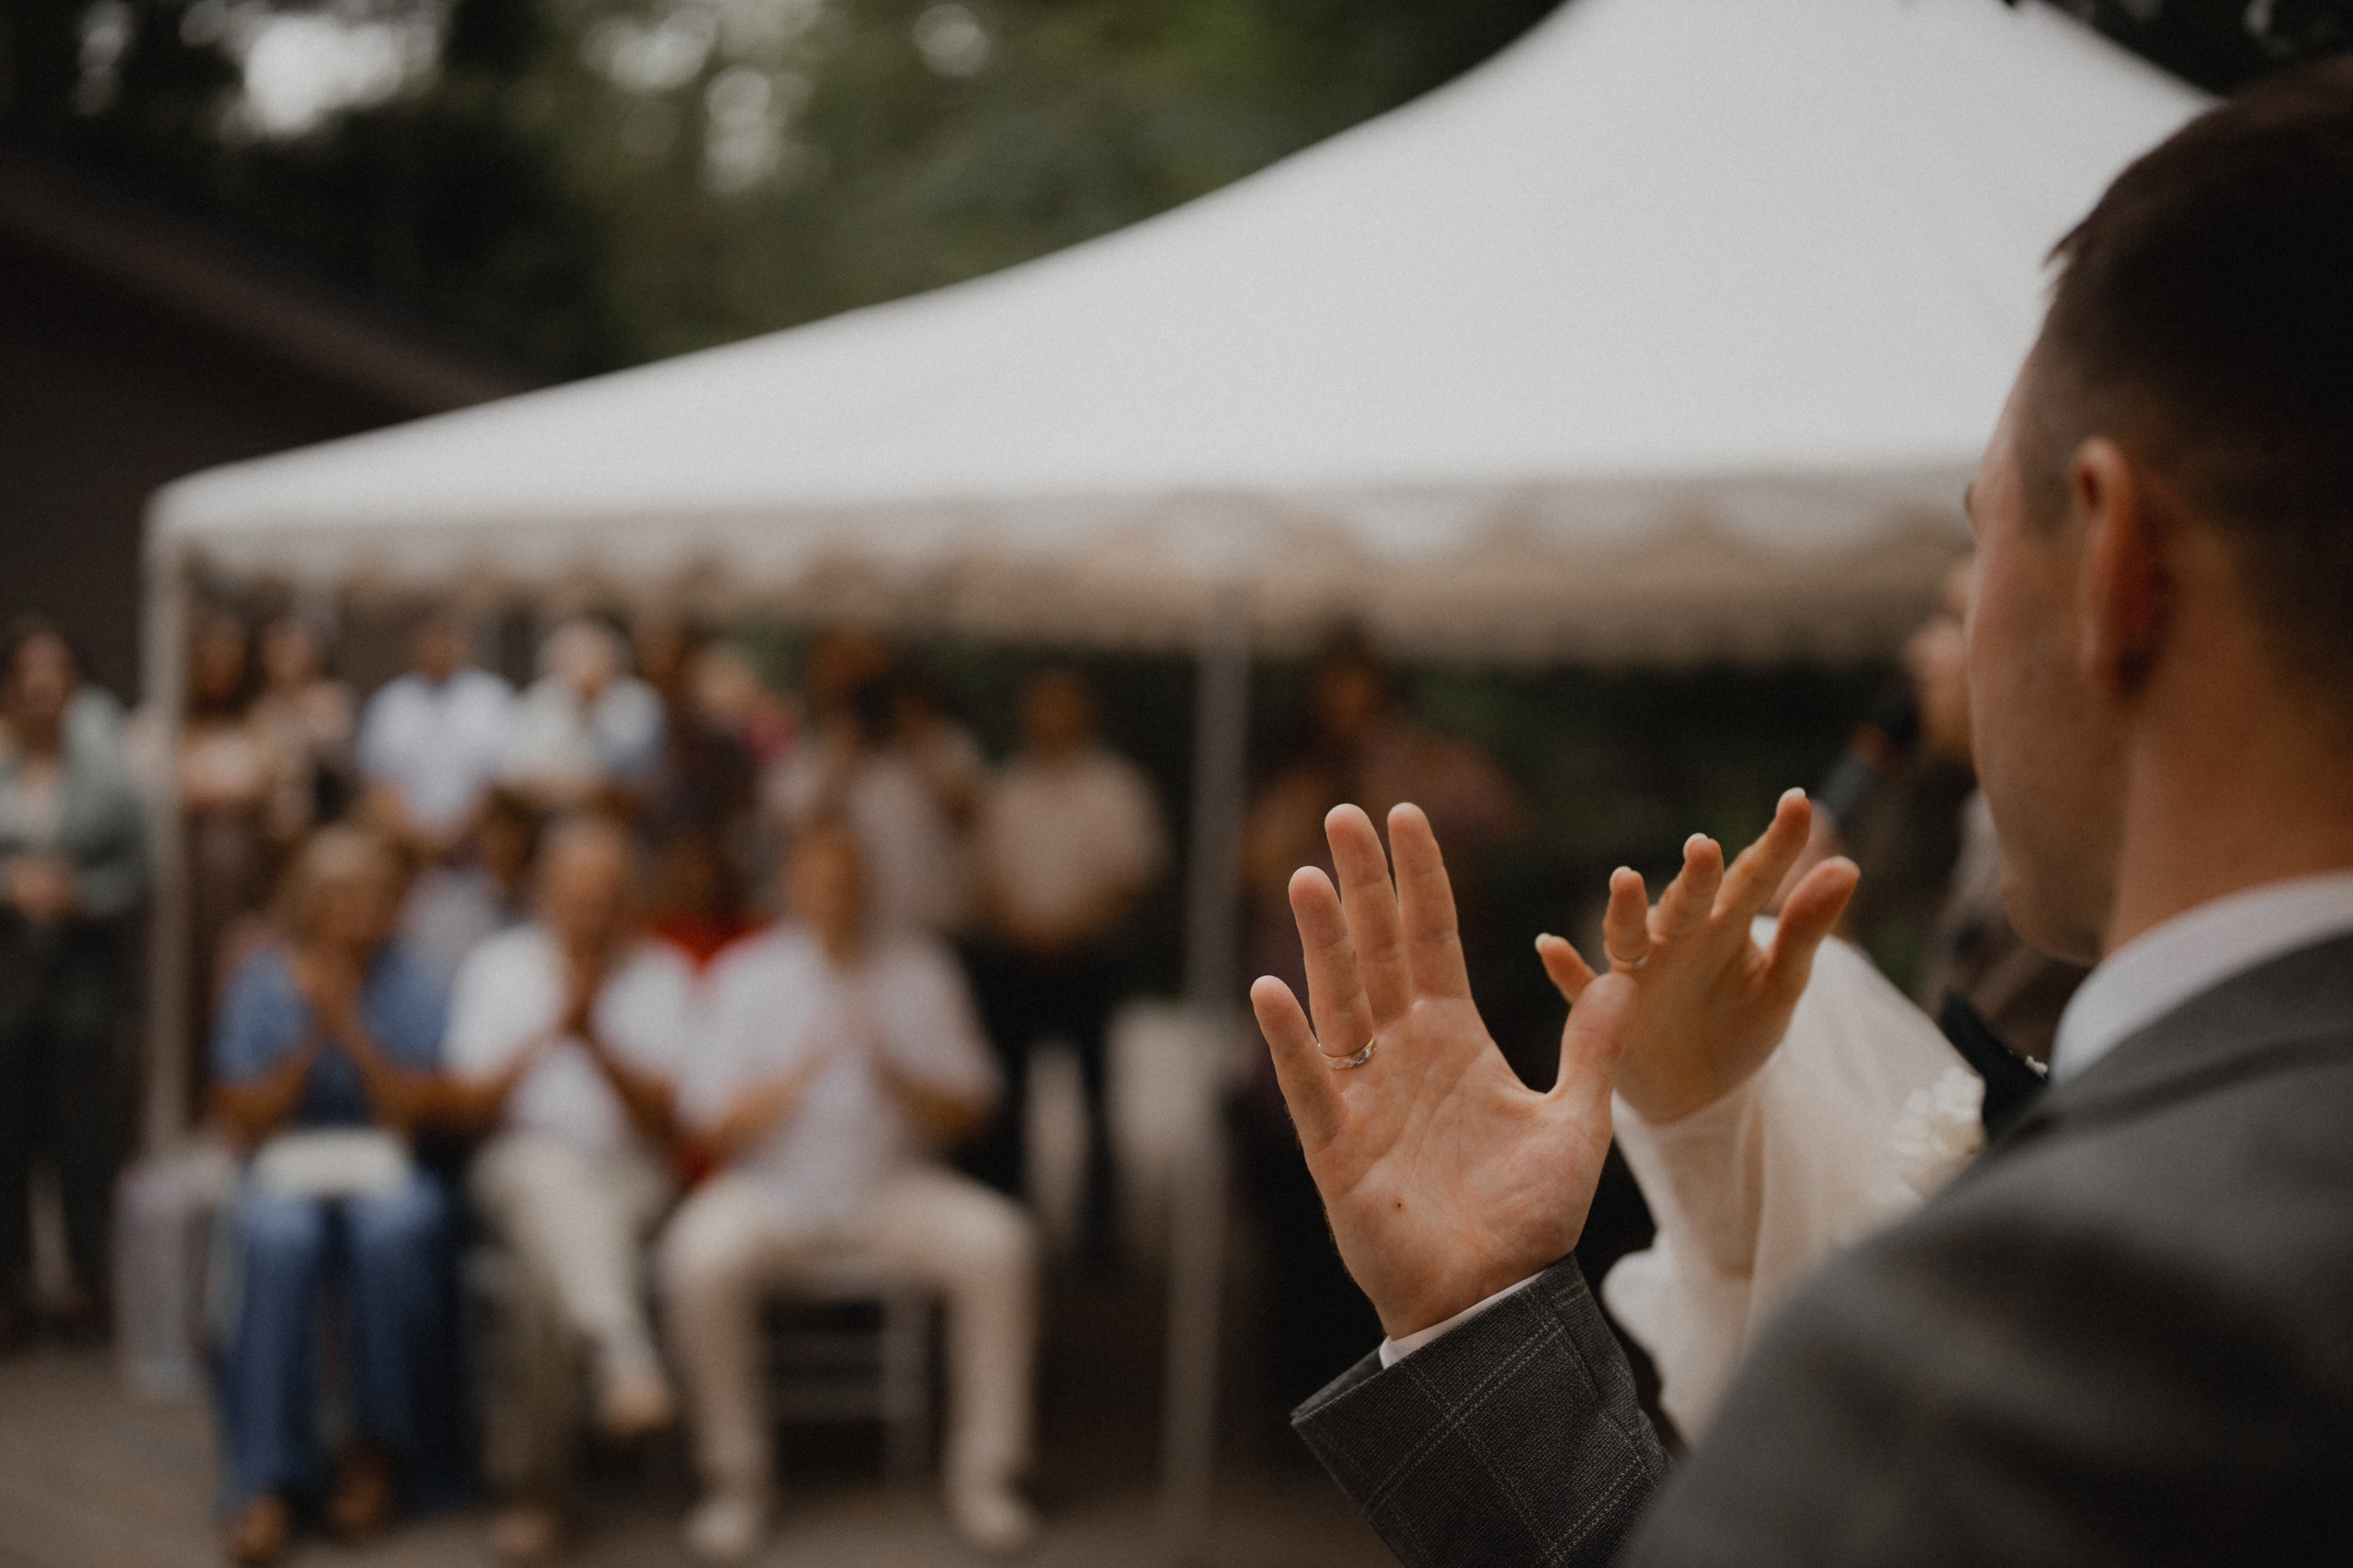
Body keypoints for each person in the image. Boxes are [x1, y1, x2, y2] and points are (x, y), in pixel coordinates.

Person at [1254, 62, 2353, 1565]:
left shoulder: (2067, 1330)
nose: (1945, 641)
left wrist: (1472, 1329)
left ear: (2117, 565)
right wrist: (1490, 1298)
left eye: (1982, 540)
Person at [661, 822, 1040, 1562]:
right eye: (821, 877)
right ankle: (734, 1481)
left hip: (891, 1187)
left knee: (1002, 1245)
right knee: (695, 1258)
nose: (837, 893)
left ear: (869, 885)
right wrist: (788, 1085)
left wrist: (899, 1076)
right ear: (794, 885)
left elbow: (977, 1110)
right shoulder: (746, 974)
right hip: (771, 1190)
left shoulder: (921, 970)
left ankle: (986, 1476)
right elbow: (703, 1121)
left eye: (850, 877)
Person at [206, 827, 467, 1566]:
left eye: (367, 900)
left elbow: (418, 1112)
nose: (353, 916)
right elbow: (241, 1111)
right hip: (288, 1165)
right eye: (337, 900)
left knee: (395, 1234)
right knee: (273, 1238)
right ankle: (266, 1477)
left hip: (391, 1166)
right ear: (307, 905)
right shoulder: (262, 979)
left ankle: (377, 1453)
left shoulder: (414, 982)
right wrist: (305, 1043)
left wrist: (347, 1027)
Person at [446, 816, 696, 1563]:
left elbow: (670, 1120)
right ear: (544, 895)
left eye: (607, 898)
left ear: (630, 902)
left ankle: (532, 1490)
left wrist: (596, 1041)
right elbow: (466, 1109)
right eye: (577, 897)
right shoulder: (497, 968)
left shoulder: (663, 974)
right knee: (550, 1180)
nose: (591, 913)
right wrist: (553, 1030)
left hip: (632, 1177)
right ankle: (622, 1354)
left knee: (546, 1276)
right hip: (518, 1167)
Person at [966, 665, 1165, 1267]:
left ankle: (1098, 1240)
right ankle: (1013, 1231)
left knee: (1097, 1103)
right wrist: (1023, 929)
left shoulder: (1115, 787)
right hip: (1017, 960)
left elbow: (1132, 874)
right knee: (1012, 1102)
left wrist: (1066, 928)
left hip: (1088, 961)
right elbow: (984, 873)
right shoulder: (1006, 787)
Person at [0, 620, 147, 1347]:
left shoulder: (107, 773)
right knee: (7, 1140)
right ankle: (11, 1282)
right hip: (8, 985)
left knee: (87, 1142)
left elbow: (144, 868)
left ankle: (88, 1281)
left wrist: (83, 894)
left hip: (83, 986)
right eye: (29, 672)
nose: (43, 685)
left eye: (56, 671)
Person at [772, 631, 983, 938]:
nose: (856, 680)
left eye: (864, 666)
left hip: (934, 931)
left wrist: (916, 742)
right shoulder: (808, 754)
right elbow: (799, 838)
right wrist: (841, 762)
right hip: (848, 934)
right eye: (841, 667)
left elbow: (970, 818)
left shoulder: (944, 744)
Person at [356, 610, 515, 863]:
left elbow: (500, 778)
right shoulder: (391, 703)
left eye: (445, 642)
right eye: (430, 643)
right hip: (406, 850)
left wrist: (459, 834)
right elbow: (379, 782)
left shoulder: (490, 698)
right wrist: (417, 840)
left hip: (479, 845)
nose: (438, 651)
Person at [500, 619, 665, 812]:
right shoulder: (541, 701)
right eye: (574, 659)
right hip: (547, 812)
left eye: (591, 658)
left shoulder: (636, 702)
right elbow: (517, 771)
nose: (583, 669)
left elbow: (637, 770)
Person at [248, 615, 357, 847]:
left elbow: (338, 758)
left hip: (325, 819)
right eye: (277, 654)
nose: (285, 661)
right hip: (273, 828)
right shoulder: (264, 709)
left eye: (291, 652)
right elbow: (262, 769)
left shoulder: (331, 699)